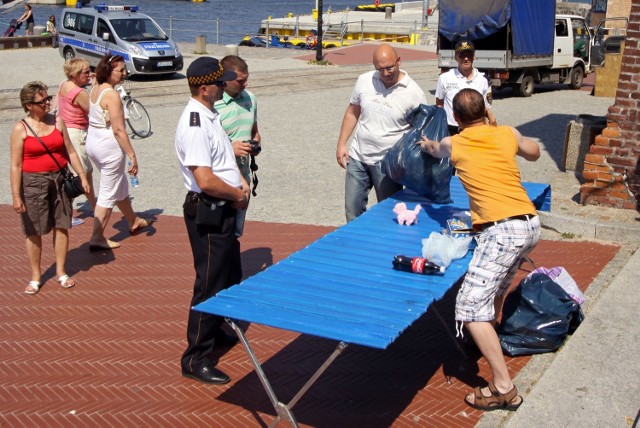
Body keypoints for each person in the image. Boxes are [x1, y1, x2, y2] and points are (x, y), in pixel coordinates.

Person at [419, 88, 541, 412]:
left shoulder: (455, 143)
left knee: (470, 306)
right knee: (497, 286)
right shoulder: (506, 134)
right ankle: (486, 336)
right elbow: (534, 152)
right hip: (528, 224)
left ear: (455, 119)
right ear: (486, 110)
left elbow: (435, 149)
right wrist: (501, 129)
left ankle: (504, 388)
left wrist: (425, 145)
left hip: (502, 230)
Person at [175, 57, 250, 385]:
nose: (226, 86)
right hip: (210, 208)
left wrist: (236, 169)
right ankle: (195, 357)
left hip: (222, 207)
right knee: (209, 283)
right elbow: (204, 179)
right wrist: (236, 193)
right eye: (221, 83)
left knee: (228, 274)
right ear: (205, 88)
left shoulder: (209, 114)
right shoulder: (194, 122)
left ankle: (216, 329)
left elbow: (216, 158)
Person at [9, 81, 90, 295]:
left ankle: (61, 272)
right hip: (33, 183)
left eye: (48, 99)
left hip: (60, 179)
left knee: (62, 225)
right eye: (42, 100)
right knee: (34, 230)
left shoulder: (57, 122)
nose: (47, 103)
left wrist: (83, 176)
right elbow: (16, 165)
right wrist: (16, 196)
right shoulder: (21, 129)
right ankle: (36, 276)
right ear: (28, 105)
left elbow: (71, 151)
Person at [336, 43, 427, 222]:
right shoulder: (364, 80)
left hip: (387, 165)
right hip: (358, 157)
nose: (385, 73)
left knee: (390, 213)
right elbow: (352, 112)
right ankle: (358, 246)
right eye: (380, 69)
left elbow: (420, 131)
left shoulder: (414, 93)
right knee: (352, 211)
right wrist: (341, 144)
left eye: (389, 68)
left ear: (399, 61)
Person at [86, 54, 153, 251]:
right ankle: (97, 236)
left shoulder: (95, 88)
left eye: (125, 69)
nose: (125, 73)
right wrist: (132, 155)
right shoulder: (112, 95)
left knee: (119, 184)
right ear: (108, 71)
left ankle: (133, 220)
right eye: (121, 70)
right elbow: (118, 129)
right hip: (108, 147)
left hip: (94, 142)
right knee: (108, 192)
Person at [214, 55, 261, 236]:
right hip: (221, 178)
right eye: (241, 81)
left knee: (236, 233)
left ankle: (234, 262)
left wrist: (256, 143)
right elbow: (207, 145)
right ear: (226, 79)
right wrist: (230, 148)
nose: (246, 84)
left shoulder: (250, 98)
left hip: (244, 177)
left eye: (246, 79)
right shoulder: (213, 104)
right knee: (220, 234)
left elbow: (255, 131)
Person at [58, 58, 97, 213]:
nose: (90, 74)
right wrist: (94, 89)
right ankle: (67, 212)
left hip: (65, 130)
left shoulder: (64, 84)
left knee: (84, 172)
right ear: (75, 74)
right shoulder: (78, 92)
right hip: (76, 134)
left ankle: (94, 207)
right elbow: (93, 111)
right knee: (81, 175)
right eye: (86, 72)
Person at [435, 40, 496, 136]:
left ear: (474, 56)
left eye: (469, 55)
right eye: (462, 55)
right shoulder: (444, 78)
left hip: (475, 130)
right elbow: (439, 104)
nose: (466, 58)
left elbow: (486, 108)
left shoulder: (483, 80)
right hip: (450, 130)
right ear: (456, 57)